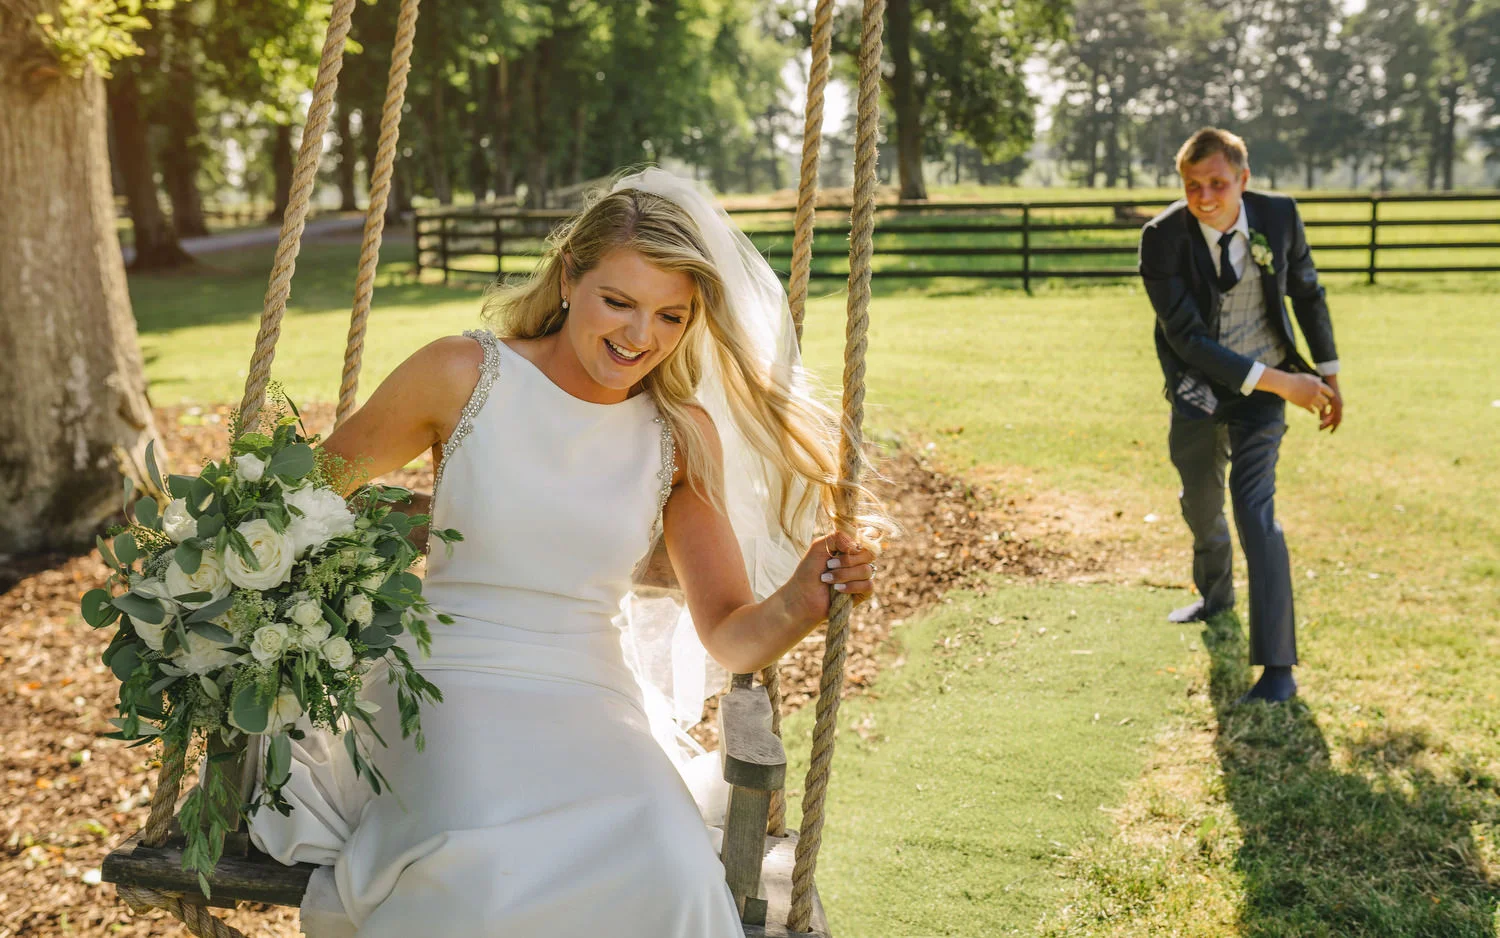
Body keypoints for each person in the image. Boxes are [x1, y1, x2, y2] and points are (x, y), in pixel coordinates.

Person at [248, 168, 885, 937]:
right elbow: (304, 496)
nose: (638, 336)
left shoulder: (679, 435)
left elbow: (728, 632)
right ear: (568, 277)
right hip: (447, 678)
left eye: (669, 316)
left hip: (590, 694)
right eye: (618, 301)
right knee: (483, 872)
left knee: (672, 868)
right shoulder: (463, 375)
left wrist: (800, 600)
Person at [1138, 128, 1343, 705]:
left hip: (1266, 385)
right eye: (1192, 185)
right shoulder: (1161, 238)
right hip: (1198, 385)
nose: (1205, 196)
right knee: (1201, 504)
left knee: (1256, 513)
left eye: (1218, 183)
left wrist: (1328, 374)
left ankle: (1278, 668)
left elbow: (1306, 291)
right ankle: (1215, 595)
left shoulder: (1277, 218)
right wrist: (1288, 384)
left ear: (1243, 180)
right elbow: (1187, 339)